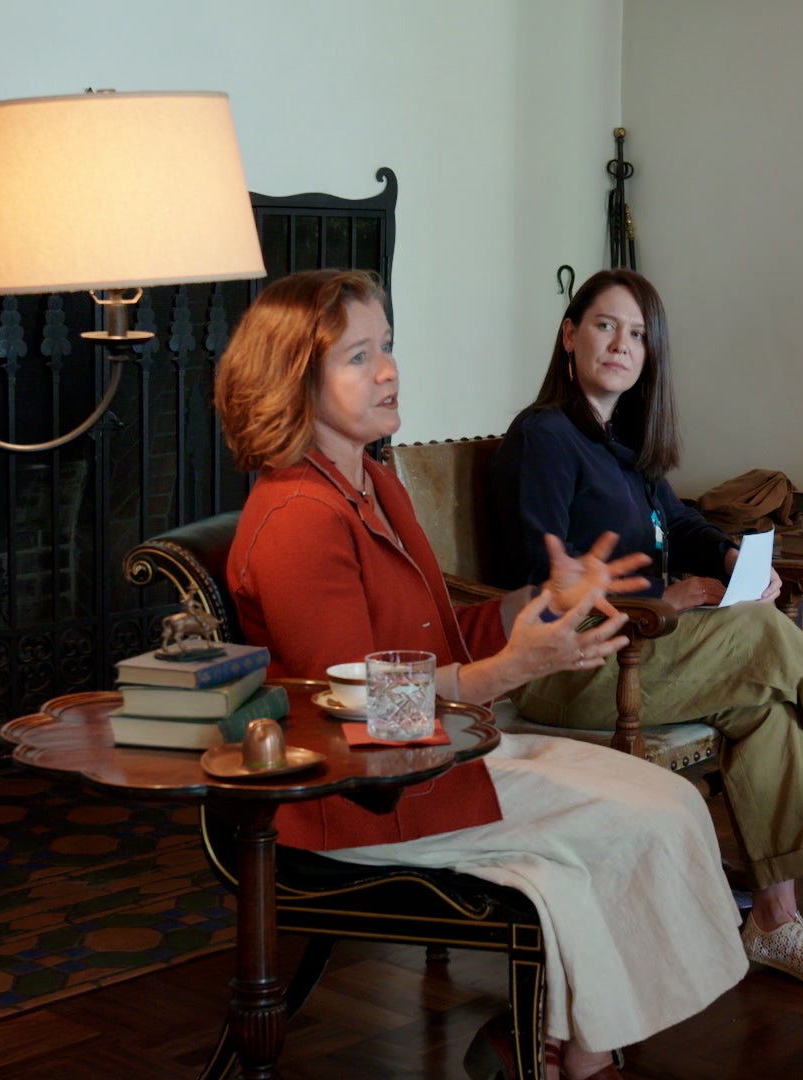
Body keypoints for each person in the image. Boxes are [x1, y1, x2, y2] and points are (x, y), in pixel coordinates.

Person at [213, 269, 748, 1080]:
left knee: (668, 801)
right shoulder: (295, 519)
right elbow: (363, 713)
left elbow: (440, 631)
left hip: (439, 758)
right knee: (630, 824)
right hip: (364, 804)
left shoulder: (373, 483)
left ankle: (555, 1044)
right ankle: (571, 1053)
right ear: (295, 377)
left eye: (386, 346)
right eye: (359, 357)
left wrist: (543, 599)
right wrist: (509, 670)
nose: (389, 369)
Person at [489, 268, 803, 994]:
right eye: (604, 325)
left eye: (637, 334)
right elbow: (534, 574)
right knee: (762, 636)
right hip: (572, 667)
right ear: (569, 335)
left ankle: (776, 921)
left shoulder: (621, 444)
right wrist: (667, 597)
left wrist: (729, 556)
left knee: (768, 708)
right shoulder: (542, 437)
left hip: (646, 649)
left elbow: (684, 521)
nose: (620, 345)